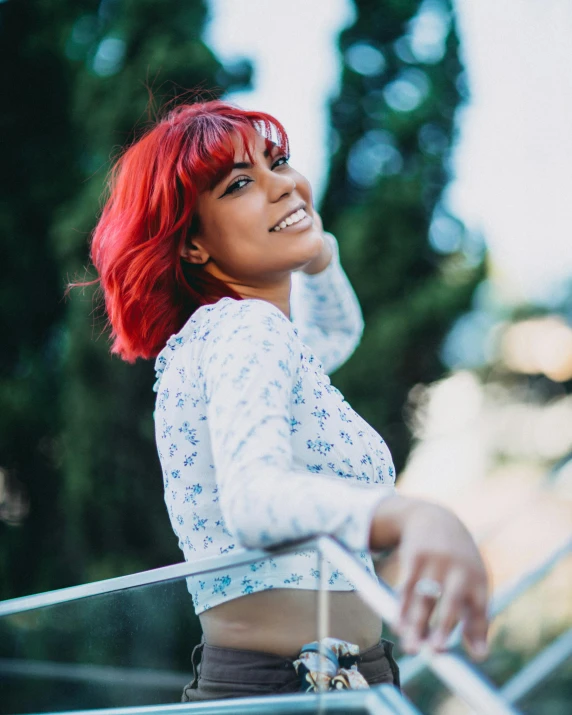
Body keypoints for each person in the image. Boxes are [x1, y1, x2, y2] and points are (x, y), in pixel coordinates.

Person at [84, 98, 490, 701]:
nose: (284, 186)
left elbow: (336, 334)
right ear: (192, 245)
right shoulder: (248, 330)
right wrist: (411, 514)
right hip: (293, 690)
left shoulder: (224, 340)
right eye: (241, 183)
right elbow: (255, 499)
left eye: (280, 162)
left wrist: (319, 252)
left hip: (315, 683)